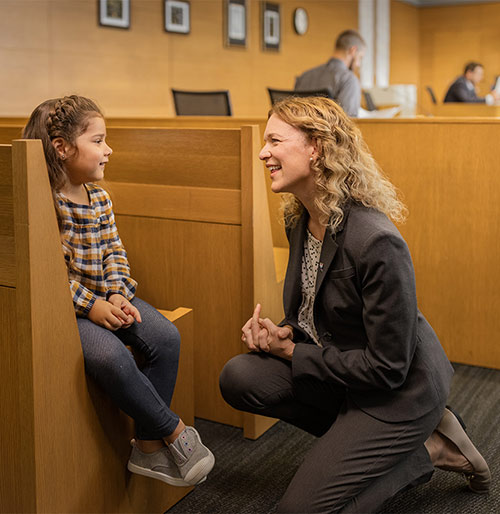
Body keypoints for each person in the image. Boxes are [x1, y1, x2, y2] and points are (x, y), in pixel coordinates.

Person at [219, 96, 491, 513]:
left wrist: (292, 351)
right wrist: (286, 331)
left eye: (274, 140)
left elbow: (388, 367)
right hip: (347, 369)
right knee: (239, 376)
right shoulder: (300, 217)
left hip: (399, 390)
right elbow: (312, 307)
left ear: (316, 147)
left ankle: (429, 450)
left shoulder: (375, 240)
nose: (262, 152)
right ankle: (366, 444)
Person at [22, 95, 215, 488]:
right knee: (112, 358)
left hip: (105, 299)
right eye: (98, 140)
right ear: (62, 147)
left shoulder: (100, 197)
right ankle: (175, 433)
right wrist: (91, 306)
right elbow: (46, 275)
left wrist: (116, 293)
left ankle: (146, 448)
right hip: (65, 310)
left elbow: (114, 251)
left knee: (165, 337)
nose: (108, 149)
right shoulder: (43, 204)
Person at [294, 29, 365, 117]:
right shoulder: (349, 80)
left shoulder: (305, 76)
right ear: (353, 51)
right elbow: (349, 123)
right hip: (328, 130)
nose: (358, 64)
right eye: (360, 57)